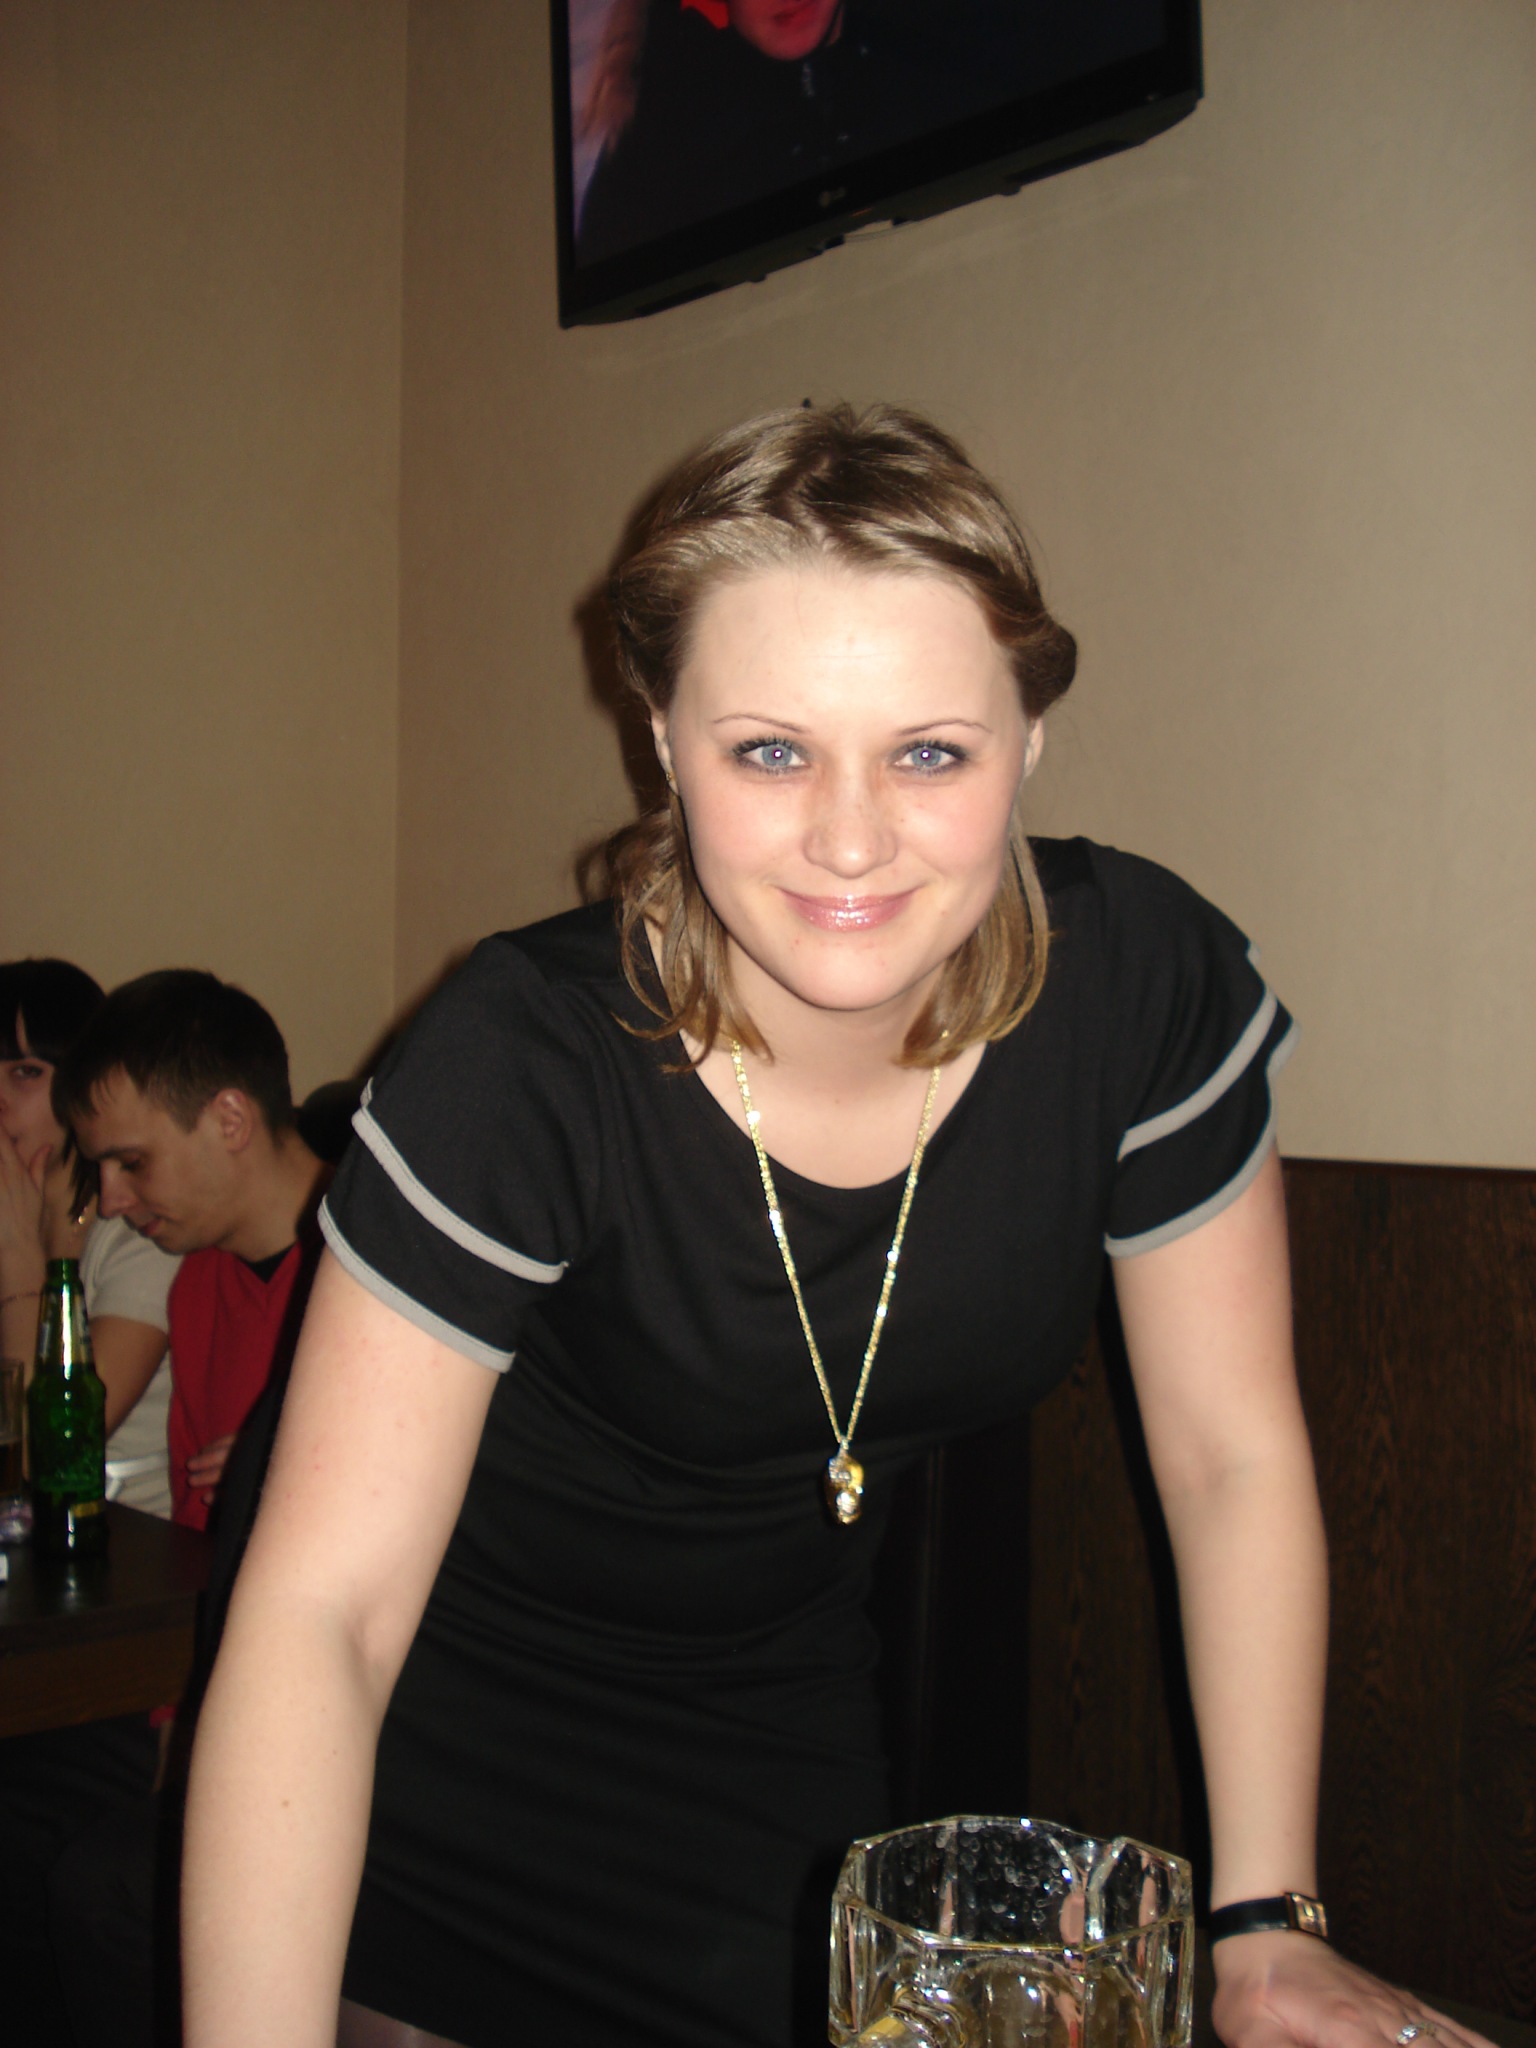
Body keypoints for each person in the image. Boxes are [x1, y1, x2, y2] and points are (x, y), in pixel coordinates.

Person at [180, 404, 1485, 2048]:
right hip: (423, 1747)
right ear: (663, 741)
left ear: (1029, 738)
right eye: (770, 751)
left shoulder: (1138, 994)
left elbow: (1229, 1458)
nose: (851, 838)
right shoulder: (523, 1060)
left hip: (778, 1739)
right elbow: (327, 1618)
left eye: (930, 752)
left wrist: (1264, 1924)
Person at [56, 969, 329, 1534]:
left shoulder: (389, 1261)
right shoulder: (197, 1281)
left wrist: (308, 1473)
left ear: (230, 1121)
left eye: (132, 1162)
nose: (111, 1202)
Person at [0, 958, 182, 1514]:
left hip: (129, 1537)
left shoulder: (141, 1229)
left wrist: (20, 1255)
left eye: (24, 1072)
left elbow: (48, 1450)